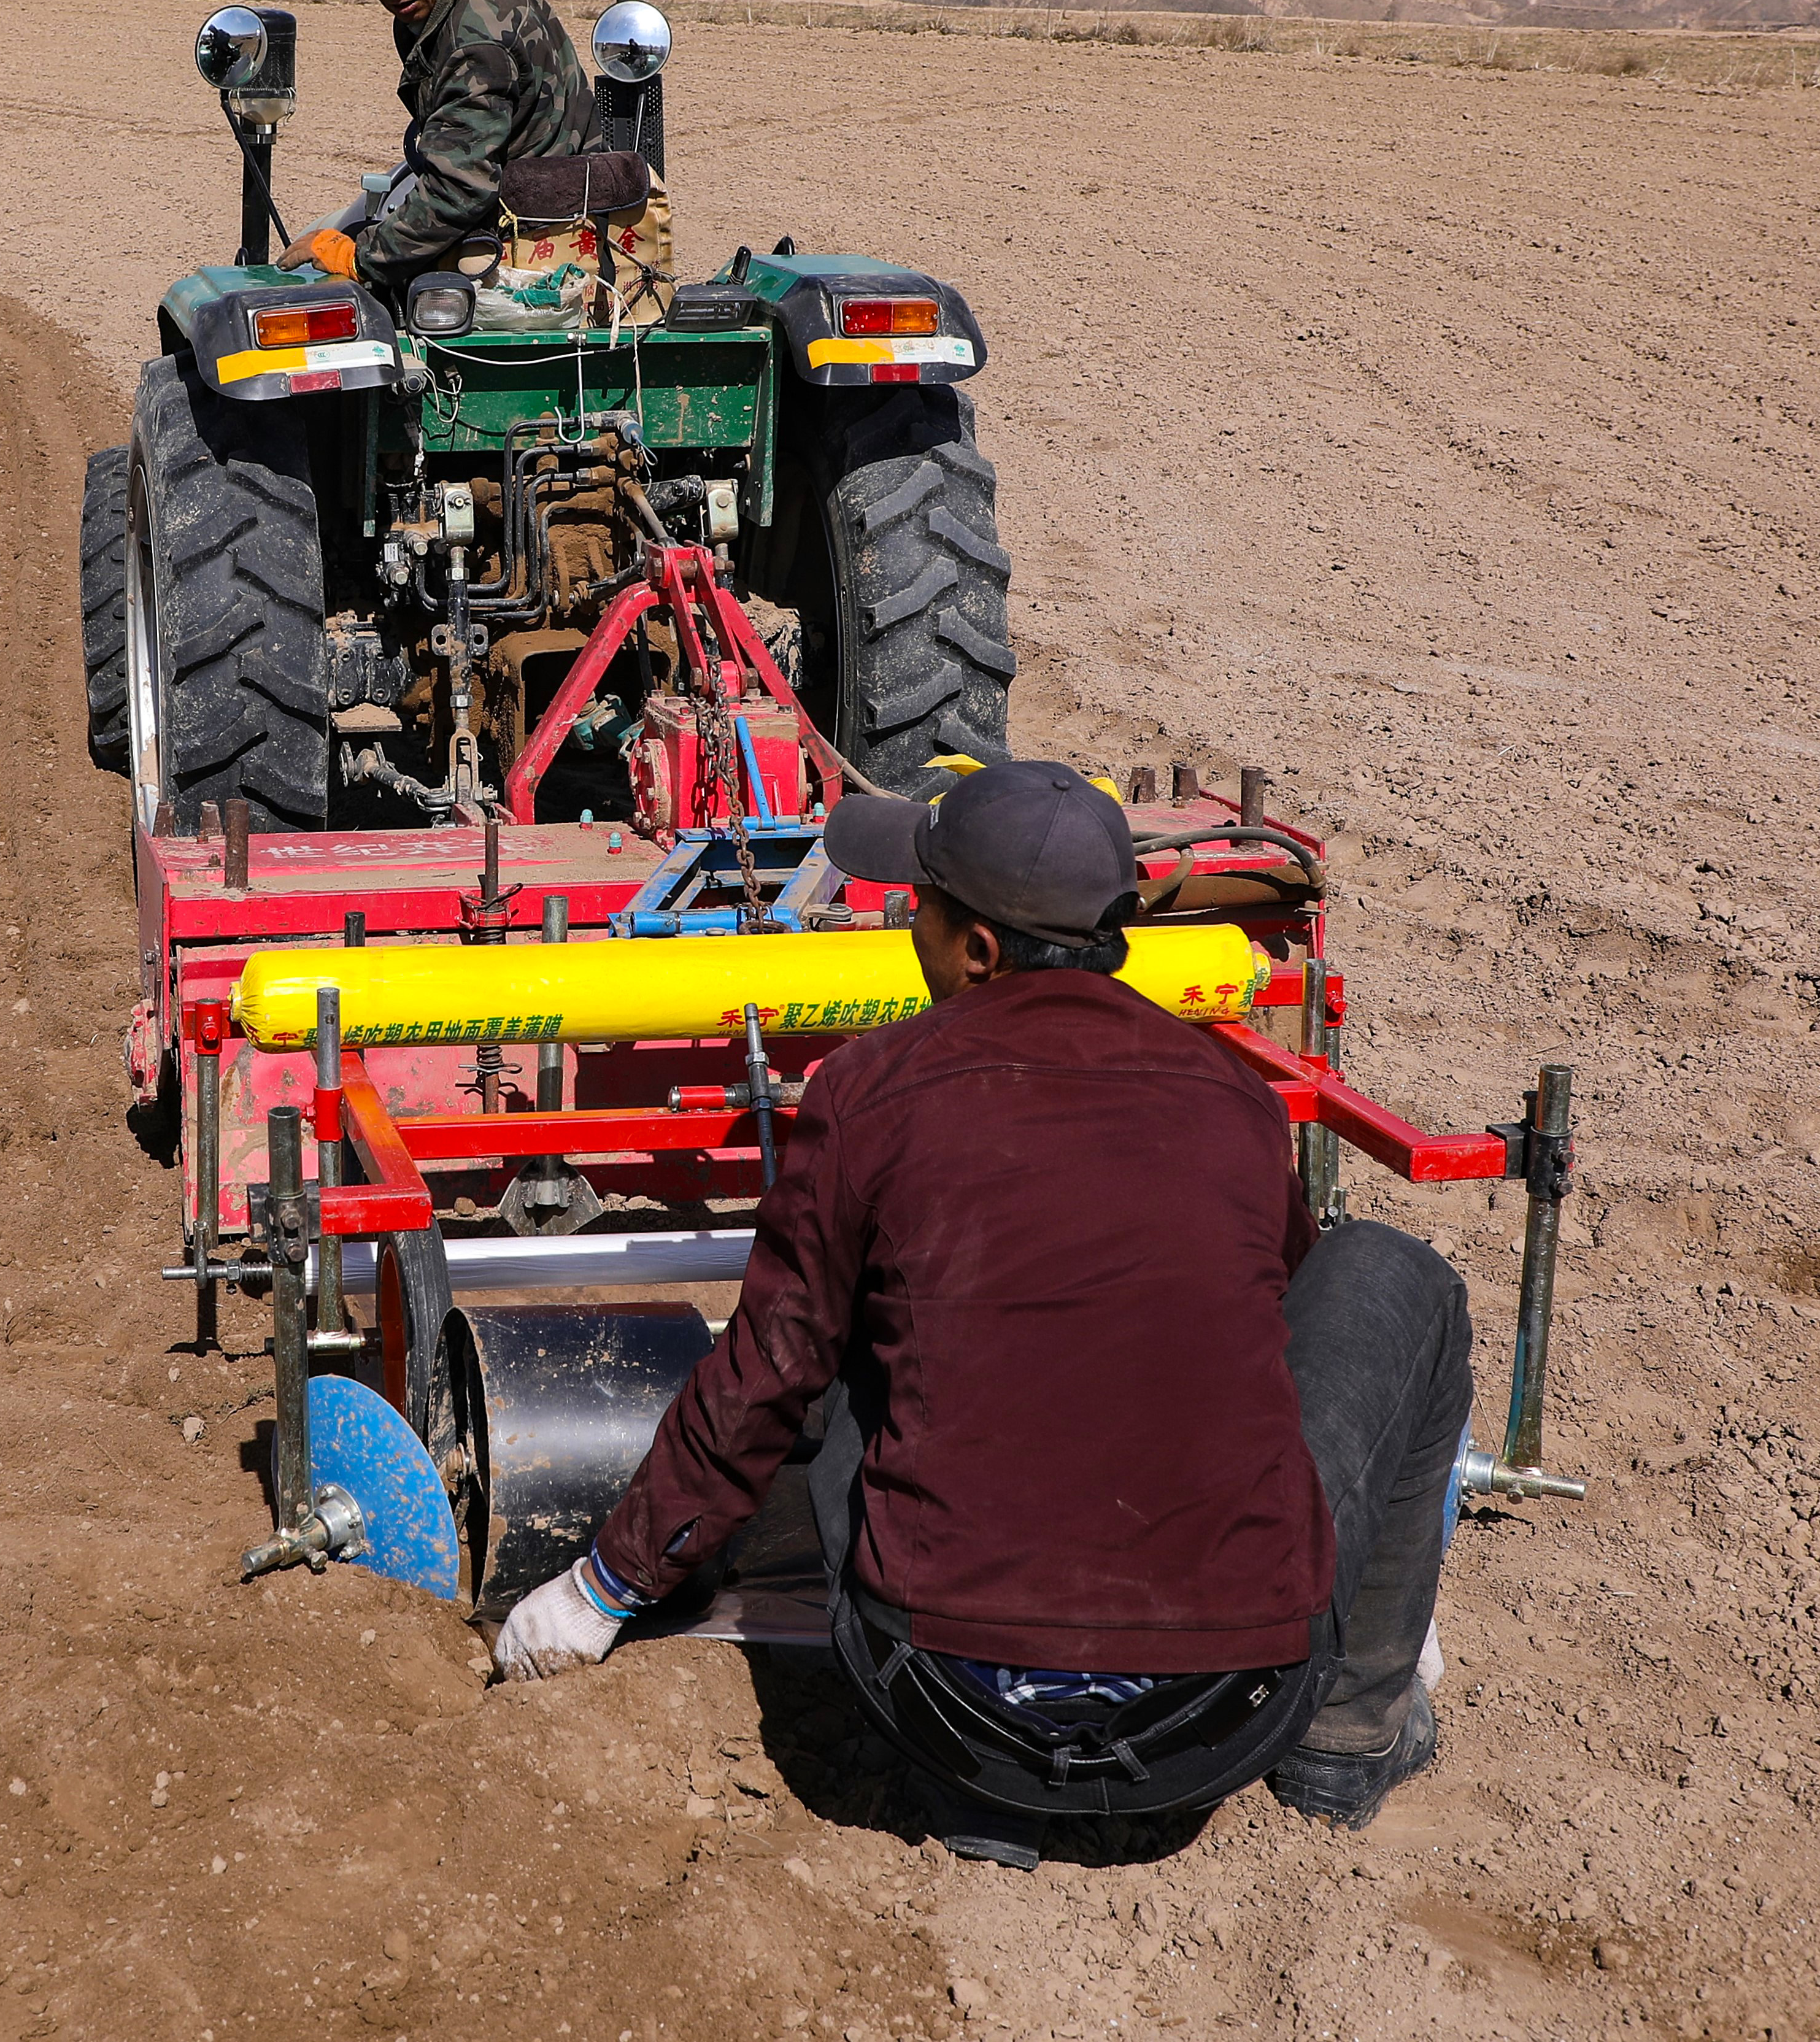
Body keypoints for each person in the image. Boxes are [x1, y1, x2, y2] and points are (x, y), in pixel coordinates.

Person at [491, 761, 1471, 1867]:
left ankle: (1002, 1793)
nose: (907, 921)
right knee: (1398, 1274)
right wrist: (1377, 1564)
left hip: (949, 1712)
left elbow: (764, 1372)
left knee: (850, 1324)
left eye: (921, 903)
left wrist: (601, 1589)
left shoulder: (869, 1091)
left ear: (977, 948)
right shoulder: (1235, 1102)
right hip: (1224, 1713)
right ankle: (1344, 1739)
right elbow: (1278, 1346)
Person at [293, 0, 601, 299]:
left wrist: (360, 258)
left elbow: (460, 188)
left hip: (534, 238)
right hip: (530, 201)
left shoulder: (473, 42)